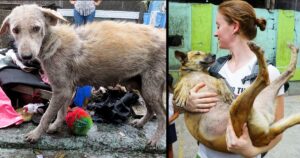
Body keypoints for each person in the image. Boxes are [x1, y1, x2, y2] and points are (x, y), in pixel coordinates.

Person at [184, 0, 284, 158]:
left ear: (235, 27)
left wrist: (252, 152)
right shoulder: (212, 69)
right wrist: (187, 103)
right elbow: (179, 107)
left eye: (218, 26)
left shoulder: (269, 73)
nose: (215, 33)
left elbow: (277, 130)